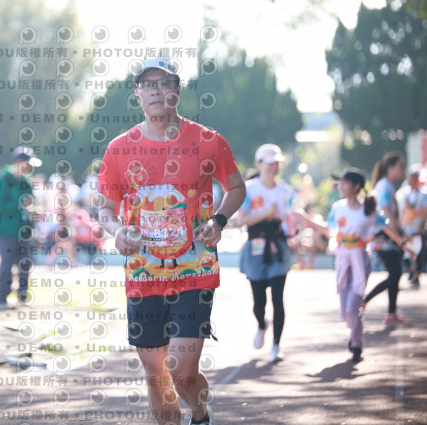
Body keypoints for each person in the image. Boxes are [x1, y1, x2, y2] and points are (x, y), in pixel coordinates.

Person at [97, 57, 246, 425]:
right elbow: (106, 209)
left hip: (194, 269)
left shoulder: (208, 141)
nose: (156, 91)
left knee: (180, 368)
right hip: (144, 273)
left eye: (164, 83)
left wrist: (219, 219)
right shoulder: (118, 148)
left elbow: (236, 187)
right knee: (154, 371)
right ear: (137, 95)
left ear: (177, 91)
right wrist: (118, 232)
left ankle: (200, 412)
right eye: (147, 85)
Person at [295, 168, 377, 362]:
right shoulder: (338, 207)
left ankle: (356, 343)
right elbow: (328, 229)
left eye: (345, 183)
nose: (341, 186)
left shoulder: (368, 209)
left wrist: (403, 241)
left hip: (360, 259)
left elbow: (384, 226)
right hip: (343, 260)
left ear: (356, 186)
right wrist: (305, 218)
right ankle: (356, 333)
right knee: (344, 310)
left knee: (353, 305)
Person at [236, 143, 294, 363]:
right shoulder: (249, 189)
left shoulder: (286, 191)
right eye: (269, 163)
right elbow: (241, 220)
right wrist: (265, 213)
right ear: (259, 163)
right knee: (258, 301)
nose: (273, 167)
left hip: (277, 246)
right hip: (256, 246)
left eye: (276, 163)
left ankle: (276, 345)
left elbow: (289, 219)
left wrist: (293, 232)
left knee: (278, 298)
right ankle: (262, 325)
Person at [363, 151, 411, 325]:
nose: (402, 169)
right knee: (395, 273)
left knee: (395, 273)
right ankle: (364, 301)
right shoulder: (384, 185)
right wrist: (399, 231)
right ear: (390, 167)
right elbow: (385, 211)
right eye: (400, 166)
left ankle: (391, 312)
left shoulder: (387, 185)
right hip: (384, 236)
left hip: (388, 235)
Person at [0, 146, 41, 310]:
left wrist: (33, 207)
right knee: (6, 265)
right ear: (20, 162)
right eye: (28, 164)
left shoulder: (25, 181)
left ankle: (22, 297)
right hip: (6, 229)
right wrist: (20, 204)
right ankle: (2, 299)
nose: (30, 168)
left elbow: (31, 201)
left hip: (23, 229)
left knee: (25, 263)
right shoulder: (3, 179)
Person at [396, 164, 427, 286]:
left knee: (419, 252)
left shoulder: (423, 195)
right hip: (406, 228)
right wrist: (400, 225)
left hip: (417, 228)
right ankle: (412, 271)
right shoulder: (404, 194)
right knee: (405, 251)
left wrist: (421, 225)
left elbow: (424, 211)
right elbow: (402, 210)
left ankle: (416, 274)